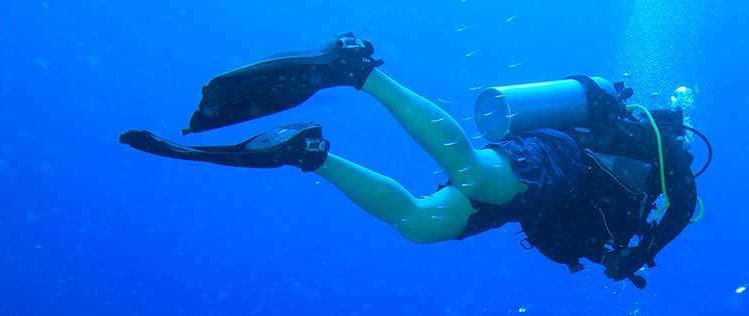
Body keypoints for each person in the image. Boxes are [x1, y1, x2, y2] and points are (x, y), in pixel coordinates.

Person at [120, 34, 708, 288]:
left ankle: (308, 152)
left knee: (420, 224)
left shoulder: (651, 168)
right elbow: (682, 209)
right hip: (567, 159)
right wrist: (644, 251)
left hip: (545, 201)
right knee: (474, 172)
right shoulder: (669, 155)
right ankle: (361, 71)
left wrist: (631, 251)